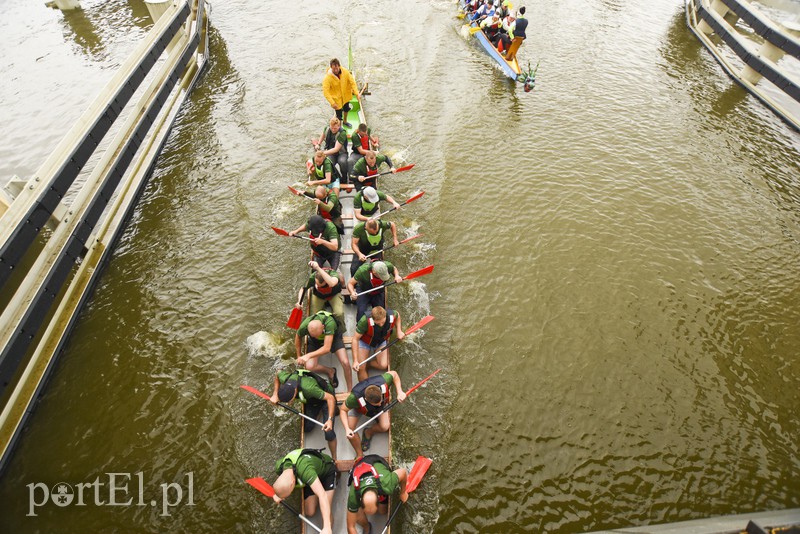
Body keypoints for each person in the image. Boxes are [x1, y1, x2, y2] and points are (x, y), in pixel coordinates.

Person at [270, 369, 338, 460]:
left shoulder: (309, 389)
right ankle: (320, 412)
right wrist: (275, 394)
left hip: (326, 398)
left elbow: (330, 398)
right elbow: (278, 373)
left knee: (329, 433)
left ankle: (334, 458)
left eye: (290, 400)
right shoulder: (285, 378)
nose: (290, 403)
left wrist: (329, 420)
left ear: (294, 393)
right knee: (307, 428)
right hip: (312, 401)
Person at [339, 370, 406, 454]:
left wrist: (399, 392)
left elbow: (394, 374)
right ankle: (359, 454)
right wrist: (347, 429)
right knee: (350, 431)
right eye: (376, 403)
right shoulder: (354, 398)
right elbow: (343, 410)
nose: (378, 404)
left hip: (381, 407)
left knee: (385, 426)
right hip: (359, 408)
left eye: (379, 401)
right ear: (366, 399)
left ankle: (368, 432)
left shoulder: (384, 380)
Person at [272, 448, 336, 534]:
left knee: (326, 514)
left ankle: (329, 527)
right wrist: (278, 495)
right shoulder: (279, 466)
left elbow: (322, 495)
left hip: (327, 472)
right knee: (310, 512)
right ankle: (315, 487)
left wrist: (327, 527)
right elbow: (281, 480)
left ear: (292, 483)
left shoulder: (305, 470)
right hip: (311, 476)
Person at [295, 309, 354, 392]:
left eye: (317, 335)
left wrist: (308, 355)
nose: (316, 336)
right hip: (315, 343)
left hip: (333, 338)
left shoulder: (330, 323)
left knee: (346, 363)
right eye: (313, 335)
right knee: (309, 367)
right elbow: (298, 336)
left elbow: (326, 348)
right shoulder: (305, 325)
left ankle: (350, 390)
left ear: (323, 327)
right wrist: (298, 355)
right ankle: (330, 371)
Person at [346, 455, 408, 534]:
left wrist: (403, 493)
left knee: (382, 511)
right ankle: (366, 527)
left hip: (377, 461)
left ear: (379, 497)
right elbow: (350, 526)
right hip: (360, 467)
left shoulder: (386, 484)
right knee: (356, 514)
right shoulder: (353, 493)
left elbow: (403, 472)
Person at [352, 306, 404, 381]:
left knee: (383, 365)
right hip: (365, 342)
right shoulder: (364, 321)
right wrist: (355, 360)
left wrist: (399, 331)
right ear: (373, 319)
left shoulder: (391, 315)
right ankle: (366, 387)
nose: (381, 325)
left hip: (380, 341)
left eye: (383, 322)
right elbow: (355, 339)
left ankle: (368, 364)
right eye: (378, 323)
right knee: (360, 368)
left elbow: (398, 315)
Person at [296, 260, 344, 332]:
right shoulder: (313, 277)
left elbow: (331, 283)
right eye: (317, 285)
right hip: (319, 296)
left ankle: (340, 331)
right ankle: (318, 331)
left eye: (320, 286)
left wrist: (317, 267)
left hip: (333, 295)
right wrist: (299, 301)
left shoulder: (333, 274)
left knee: (339, 314)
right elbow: (303, 289)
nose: (318, 286)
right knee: (314, 316)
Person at [322, 58, 360, 128]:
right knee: (339, 115)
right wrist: (332, 103)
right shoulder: (327, 78)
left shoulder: (345, 72)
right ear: (331, 68)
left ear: (339, 66)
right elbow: (325, 92)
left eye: (337, 68)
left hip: (345, 96)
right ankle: (339, 126)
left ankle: (345, 121)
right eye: (334, 69)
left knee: (346, 109)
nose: (336, 70)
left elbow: (352, 82)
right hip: (336, 99)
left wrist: (357, 93)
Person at [314, 117, 349, 182]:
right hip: (330, 152)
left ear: (339, 126)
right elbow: (323, 135)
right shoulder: (327, 128)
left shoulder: (342, 133)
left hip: (341, 153)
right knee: (328, 163)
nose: (333, 130)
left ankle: (344, 178)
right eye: (332, 128)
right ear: (329, 125)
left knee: (342, 162)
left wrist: (323, 153)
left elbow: (336, 149)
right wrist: (318, 144)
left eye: (335, 128)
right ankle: (334, 177)